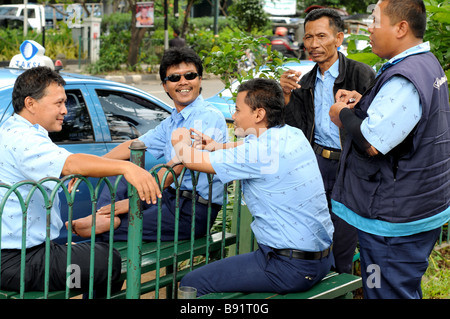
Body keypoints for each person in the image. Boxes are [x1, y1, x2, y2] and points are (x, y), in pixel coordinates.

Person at [0, 66, 161, 293]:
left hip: (26, 254)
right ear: (30, 103)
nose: (65, 110)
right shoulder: (23, 138)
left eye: (65, 103)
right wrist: (127, 167)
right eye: (58, 103)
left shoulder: (14, 129)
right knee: (107, 262)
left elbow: (66, 167)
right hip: (18, 263)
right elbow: (70, 163)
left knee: (92, 258)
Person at [329, 0, 450, 299]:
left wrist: (340, 114)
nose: (369, 28)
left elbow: (372, 143)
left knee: (383, 289)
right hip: (416, 206)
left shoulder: (405, 77)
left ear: (401, 28)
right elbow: (404, 121)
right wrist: (367, 103)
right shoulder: (425, 63)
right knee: (400, 287)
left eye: (375, 20)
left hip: (394, 221)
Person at [171, 78, 334, 296]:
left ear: (258, 114)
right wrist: (217, 146)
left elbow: (191, 160)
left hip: (287, 267)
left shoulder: (258, 153)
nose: (234, 116)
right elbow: (251, 146)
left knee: (191, 283)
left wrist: (178, 141)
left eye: (238, 110)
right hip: (320, 260)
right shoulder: (293, 134)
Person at [70, 47, 228, 242]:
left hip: (193, 210)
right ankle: (102, 218)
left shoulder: (207, 116)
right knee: (121, 169)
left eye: (190, 75)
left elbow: (177, 167)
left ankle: (105, 224)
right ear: (164, 85)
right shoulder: (172, 122)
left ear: (200, 79)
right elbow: (133, 145)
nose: (183, 82)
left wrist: (133, 202)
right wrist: (89, 167)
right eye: (175, 78)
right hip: (168, 199)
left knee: (103, 235)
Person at [279, 8, 376, 274]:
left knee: (343, 243)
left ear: (339, 38)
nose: (313, 44)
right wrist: (286, 98)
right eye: (308, 37)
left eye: (321, 36)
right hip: (316, 166)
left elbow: (375, 127)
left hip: (350, 167)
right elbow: (296, 130)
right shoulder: (305, 81)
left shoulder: (361, 75)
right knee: (312, 238)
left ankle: (340, 286)